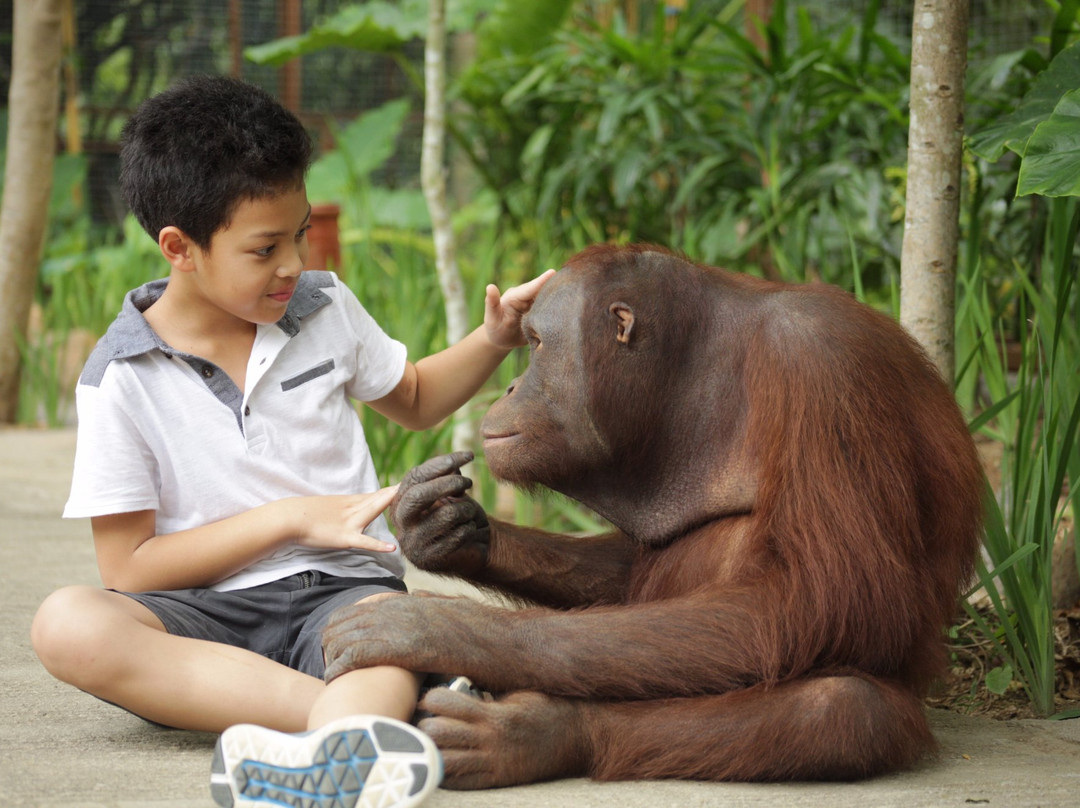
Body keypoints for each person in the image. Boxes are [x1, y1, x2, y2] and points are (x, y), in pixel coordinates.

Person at [29, 75, 552, 808]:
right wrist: (291, 516)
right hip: (201, 617)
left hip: (342, 593)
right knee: (68, 624)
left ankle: (328, 757)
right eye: (264, 247)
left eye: (300, 232)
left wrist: (495, 337)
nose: (293, 264)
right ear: (180, 247)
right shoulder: (121, 376)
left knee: (384, 634)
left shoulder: (325, 308)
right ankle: (356, 721)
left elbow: (417, 399)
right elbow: (130, 568)